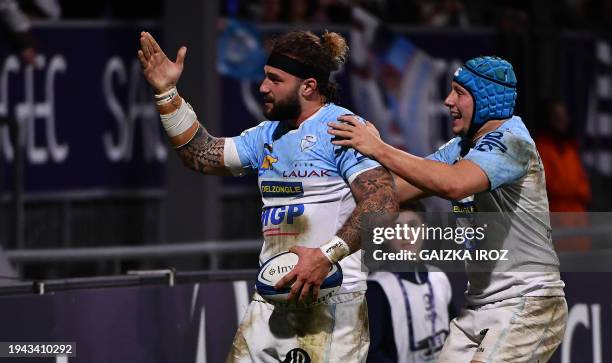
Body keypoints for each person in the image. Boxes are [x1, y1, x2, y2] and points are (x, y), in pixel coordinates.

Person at [137, 30, 397, 363]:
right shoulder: (266, 135)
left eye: (275, 79)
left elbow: (384, 205)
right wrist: (166, 93)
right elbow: (198, 153)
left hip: (331, 305)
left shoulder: (343, 129)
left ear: (308, 86)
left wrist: (325, 255)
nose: (263, 87)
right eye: (265, 77)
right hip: (270, 303)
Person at [328, 56, 567, 362]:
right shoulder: (460, 147)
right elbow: (396, 190)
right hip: (480, 306)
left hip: (528, 302)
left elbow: (453, 184)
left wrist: (378, 147)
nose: (447, 100)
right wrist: (354, 163)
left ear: (487, 98)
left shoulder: (512, 142)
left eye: (459, 92)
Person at [366, 201, 455, 363]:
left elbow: (456, 334)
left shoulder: (439, 277)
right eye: (396, 228)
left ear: (425, 230)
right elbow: (372, 353)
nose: (405, 235)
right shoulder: (376, 288)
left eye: (412, 226)